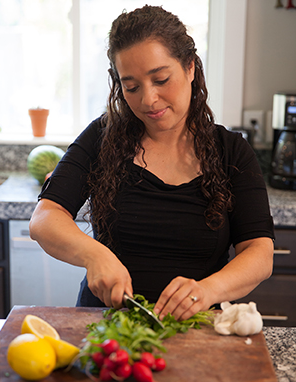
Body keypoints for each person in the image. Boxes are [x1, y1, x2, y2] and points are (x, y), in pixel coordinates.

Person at [29, 5, 274, 322]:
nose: (148, 100)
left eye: (160, 79)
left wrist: (209, 290)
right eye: (131, 87)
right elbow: (45, 218)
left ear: (189, 68)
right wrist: (94, 254)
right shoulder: (101, 139)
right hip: (107, 325)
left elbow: (259, 252)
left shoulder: (232, 152)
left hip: (195, 330)